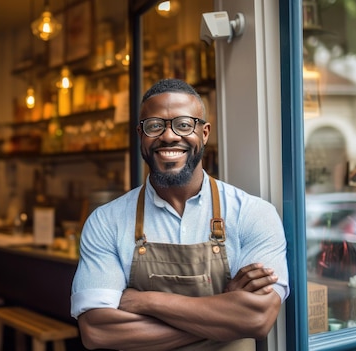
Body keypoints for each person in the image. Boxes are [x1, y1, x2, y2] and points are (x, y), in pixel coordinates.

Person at [71, 78, 289, 350]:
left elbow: (257, 318)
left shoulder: (254, 214)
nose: (169, 136)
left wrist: (145, 301)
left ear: (205, 133)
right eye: (154, 126)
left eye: (184, 125)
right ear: (141, 135)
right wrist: (225, 315)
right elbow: (97, 331)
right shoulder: (105, 222)